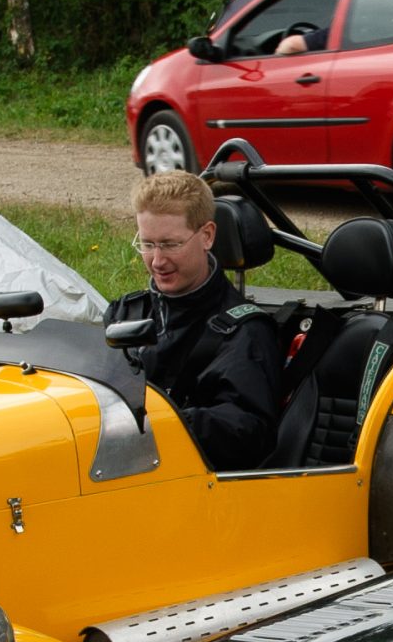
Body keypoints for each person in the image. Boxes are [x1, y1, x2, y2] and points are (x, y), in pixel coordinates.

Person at [108, 169, 282, 470]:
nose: (158, 261)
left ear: (207, 236)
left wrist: (164, 421)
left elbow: (248, 432)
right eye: (147, 244)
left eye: (171, 244)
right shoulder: (126, 312)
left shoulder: (244, 332)